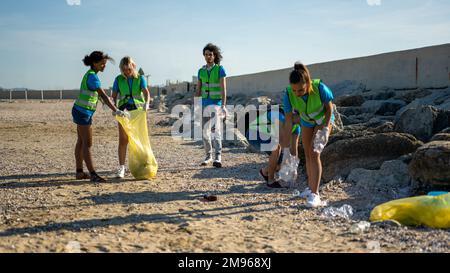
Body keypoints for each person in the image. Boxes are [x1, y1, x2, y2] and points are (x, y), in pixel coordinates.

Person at [281, 62, 335, 207]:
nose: (297, 93)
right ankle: (310, 187)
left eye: (301, 90)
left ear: (308, 83)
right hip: (306, 121)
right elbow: (288, 121)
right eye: (294, 90)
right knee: (308, 153)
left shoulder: (319, 87)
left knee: (314, 152)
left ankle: (315, 194)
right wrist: (286, 149)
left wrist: (325, 128)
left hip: (323, 120)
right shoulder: (288, 94)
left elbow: (329, 109)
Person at [72, 51, 127, 183]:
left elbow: (97, 95)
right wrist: (116, 110)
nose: (104, 66)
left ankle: (79, 172)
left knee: (80, 141)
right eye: (102, 64)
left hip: (80, 111)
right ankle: (93, 175)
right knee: (87, 143)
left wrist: (105, 104)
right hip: (83, 113)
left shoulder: (90, 75)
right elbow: (103, 95)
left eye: (105, 64)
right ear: (94, 63)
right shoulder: (92, 77)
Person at [112, 56, 151, 178]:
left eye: (128, 69)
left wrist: (147, 103)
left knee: (139, 139)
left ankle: (142, 164)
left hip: (138, 113)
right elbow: (113, 96)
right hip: (123, 112)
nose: (126, 72)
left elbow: (146, 93)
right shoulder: (118, 80)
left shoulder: (140, 78)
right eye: (123, 69)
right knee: (123, 140)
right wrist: (114, 109)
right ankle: (122, 168)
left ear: (133, 67)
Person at [196, 43, 227, 168]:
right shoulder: (200, 71)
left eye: (210, 54)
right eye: (206, 55)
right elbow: (198, 90)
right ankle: (208, 156)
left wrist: (223, 106)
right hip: (204, 104)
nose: (208, 57)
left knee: (215, 131)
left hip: (216, 104)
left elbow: (224, 89)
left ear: (214, 56)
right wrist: (196, 105)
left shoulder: (220, 69)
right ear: (204, 56)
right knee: (204, 131)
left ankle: (218, 157)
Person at [253, 107, 302, 188]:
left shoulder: (297, 127)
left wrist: (294, 166)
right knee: (276, 148)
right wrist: (288, 163)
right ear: (296, 115)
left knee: (282, 164)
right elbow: (281, 141)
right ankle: (270, 181)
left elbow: (294, 149)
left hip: (268, 136)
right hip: (254, 133)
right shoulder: (279, 116)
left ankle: (264, 172)